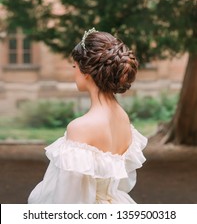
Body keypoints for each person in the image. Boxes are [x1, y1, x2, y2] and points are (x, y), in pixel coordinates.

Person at [28, 28, 147, 204]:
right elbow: (122, 182)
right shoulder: (123, 117)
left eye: (74, 66)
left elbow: (67, 201)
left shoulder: (81, 127)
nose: (73, 72)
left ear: (86, 71)